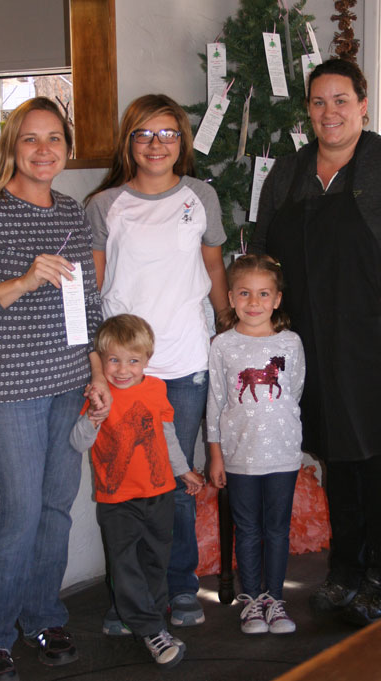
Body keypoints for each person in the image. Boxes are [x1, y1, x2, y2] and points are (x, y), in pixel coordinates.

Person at [85, 93, 229, 628]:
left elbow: (214, 270)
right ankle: (131, 599)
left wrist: (229, 331)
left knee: (177, 483)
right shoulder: (105, 205)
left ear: (182, 142)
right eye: (144, 134)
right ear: (129, 142)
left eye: (167, 133)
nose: (156, 144)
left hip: (186, 363)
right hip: (125, 370)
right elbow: (93, 290)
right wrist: (97, 365)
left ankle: (180, 587)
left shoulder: (201, 196)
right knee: (126, 487)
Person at [0, 97, 111, 681]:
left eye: (54, 138)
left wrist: (98, 371)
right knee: (18, 511)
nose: (43, 150)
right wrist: (26, 277)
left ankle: (43, 616)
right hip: (5, 387)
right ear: (11, 145)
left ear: (66, 145)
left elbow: (86, 303)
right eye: (30, 139)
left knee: (56, 508)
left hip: (66, 382)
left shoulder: (69, 212)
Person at [251, 58, 381, 627]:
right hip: (311, 347)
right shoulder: (289, 172)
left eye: (341, 100)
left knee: (376, 459)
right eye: (319, 102)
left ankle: (377, 574)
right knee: (339, 459)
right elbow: (262, 252)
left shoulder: (380, 165)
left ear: (363, 104)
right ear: (308, 109)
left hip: (373, 341)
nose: (330, 112)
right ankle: (345, 571)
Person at [70, 314, 204, 668]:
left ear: (147, 359)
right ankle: (152, 632)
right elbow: (78, 441)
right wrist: (94, 418)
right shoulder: (100, 395)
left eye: (133, 360)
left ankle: (151, 619)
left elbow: (167, 434)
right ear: (102, 360)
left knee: (155, 562)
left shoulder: (156, 389)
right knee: (125, 564)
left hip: (158, 494)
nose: (123, 369)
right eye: (113, 360)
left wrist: (183, 471)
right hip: (118, 501)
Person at [207, 254, 305, 634]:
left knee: (278, 529)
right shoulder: (223, 346)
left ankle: (275, 600)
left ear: (277, 299)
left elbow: (293, 392)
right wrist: (215, 453)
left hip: (282, 454)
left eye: (263, 294)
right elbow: (215, 401)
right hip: (238, 455)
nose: (253, 302)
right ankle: (251, 600)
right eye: (245, 293)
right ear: (230, 297)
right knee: (247, 529)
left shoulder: (291, 343)